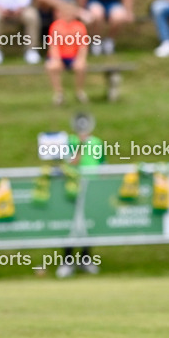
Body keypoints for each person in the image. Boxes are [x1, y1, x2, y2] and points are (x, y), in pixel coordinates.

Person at [56, 114, 103, 278]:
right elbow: (70, 162)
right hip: (72, 188)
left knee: (88, 224)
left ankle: (86, 259)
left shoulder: (97, 142)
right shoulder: (69, 141)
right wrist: (80, 146)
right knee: (71, 225)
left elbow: (102, 164)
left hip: (92, 188)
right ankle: (67, 261)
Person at [46, 4, 89, 106]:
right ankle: (59, 93)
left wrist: (81, 59)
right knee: (52, 66)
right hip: (60, 56)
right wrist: (56, 59)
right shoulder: (56, 26)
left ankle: (79, 92)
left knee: (81, 66)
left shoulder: (79, 26)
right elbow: (53, 45)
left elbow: (83, 46)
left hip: (73, 56)